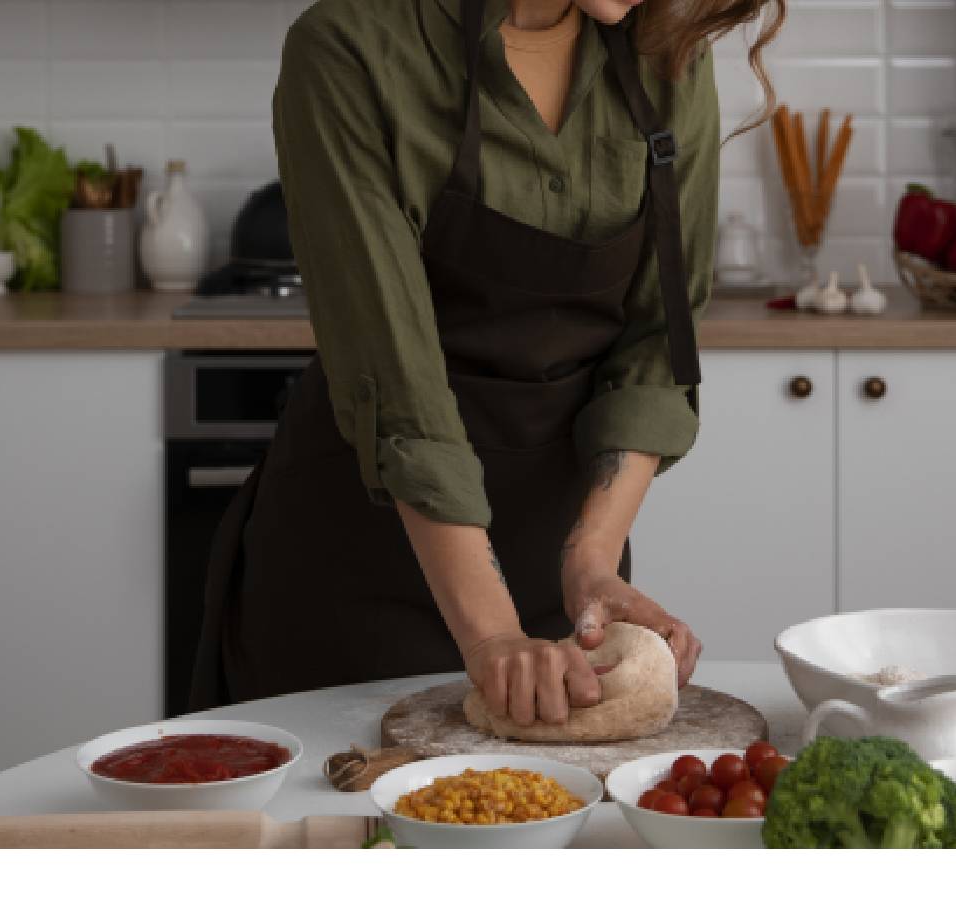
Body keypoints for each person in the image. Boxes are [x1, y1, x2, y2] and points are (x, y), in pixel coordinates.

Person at [190, 0, 783, 727]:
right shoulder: (350, 48)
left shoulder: (665, 43)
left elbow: (659, 345)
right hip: (360, 577)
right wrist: (493, 632)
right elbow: (396, 378)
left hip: (559, 575)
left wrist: (592, 558)